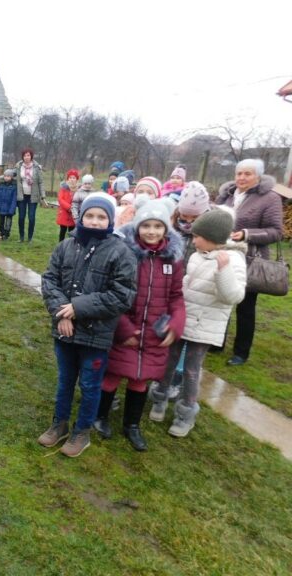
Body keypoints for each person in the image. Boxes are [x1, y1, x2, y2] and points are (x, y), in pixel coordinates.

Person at [38, 193, 137, 458]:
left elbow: (122, 295)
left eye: (101, 217)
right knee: (65, 381)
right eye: (90, 216)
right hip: (64, 331)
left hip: (96, 336)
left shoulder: (121, 252)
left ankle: (82, 432)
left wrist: (78, 308)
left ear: (110, 220)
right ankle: (59, 423)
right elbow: (50, 281)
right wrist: (63, 314)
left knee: (91, 385)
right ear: (81, 217)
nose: (94, 221)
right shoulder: (65, 247)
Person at [93, 198, 185, 451]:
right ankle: (99, 415)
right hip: (125, 328)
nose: (152, 231)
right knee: (112, 373)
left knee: (141, 378)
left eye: (158, 226)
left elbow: (176, 296)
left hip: (154, 332)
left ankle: (131, 424)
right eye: (146, 225)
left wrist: (176, 324)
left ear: (166, 229)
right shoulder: (126, 254)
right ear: (137, 227)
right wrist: (122, 328)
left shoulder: (172, 260)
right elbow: (112, 291)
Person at [148, 209, 246, 436]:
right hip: (184, 320)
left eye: (196, 236)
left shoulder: (234, 260)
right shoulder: (197, 255)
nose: (193, 240)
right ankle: (159, 399)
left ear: (211, 236)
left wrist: (224, 270)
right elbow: (186, 285)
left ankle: (185, 413)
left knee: (192, 370)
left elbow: (233, 297)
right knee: (168, 360)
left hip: (205, 327)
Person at [216, 159, 283, 366]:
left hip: (250, 260)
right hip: (223, 256)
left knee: (245, 307)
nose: (242, 178)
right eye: (239, 173)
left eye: (248, 174)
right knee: (220, 299)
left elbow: (276, 232)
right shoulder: (226, 195)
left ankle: (240, 352)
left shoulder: (269, 198)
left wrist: (246, 234)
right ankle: (215, 342)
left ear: (258, 176)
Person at [160, 180, 212, 400]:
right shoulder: (172, 229)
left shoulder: (211, 233)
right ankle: (163, 378)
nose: (188, 223)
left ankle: (179, 378)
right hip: (172, 289)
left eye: (194, 219)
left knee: (189, 337)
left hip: (197, 295)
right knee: (170, 335)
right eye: (184, 218)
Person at [14, 148, 44, 242]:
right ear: (22, 157)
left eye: (28, 155)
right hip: (22, 196)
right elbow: (11, 175)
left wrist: (43, 195)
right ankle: (21, 237)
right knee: (21, 217)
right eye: (25, 155)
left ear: (31, 156)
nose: (26, 157)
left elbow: (41, 182)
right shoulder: (19, 166)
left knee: (31, 217)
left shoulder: (37, 167)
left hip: (33, 196)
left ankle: (30, 238)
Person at [0, 169, 17, 239]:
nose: (6, 178)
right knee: (1, 222)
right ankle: (1, 233)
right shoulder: (0, 185)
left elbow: (14, 199)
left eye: (8, 176)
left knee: (8, 223)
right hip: (1, 208)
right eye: (5, 176)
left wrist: (12, 209)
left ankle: (6, 234)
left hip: (9, 208)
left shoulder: (14, 186)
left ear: (11, 177)